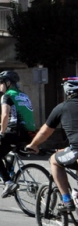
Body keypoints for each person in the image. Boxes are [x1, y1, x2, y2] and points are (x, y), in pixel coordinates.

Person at [26, 77, 78, 213]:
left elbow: (45, 132)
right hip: (74, 150)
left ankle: (66, 199)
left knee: (54, 160)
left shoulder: (62, 108)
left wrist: (33, 145)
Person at [0, 70, 36, 198]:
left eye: (0, 82)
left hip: (16, 132)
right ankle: (10, 173)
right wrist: (0, 127)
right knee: (7, 151)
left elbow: (5, 115)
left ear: (8, 82)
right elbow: (16, 116)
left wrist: (1, 133)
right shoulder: (24, 95)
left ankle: (8, 182)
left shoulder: (7, 95)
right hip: (29, 133)